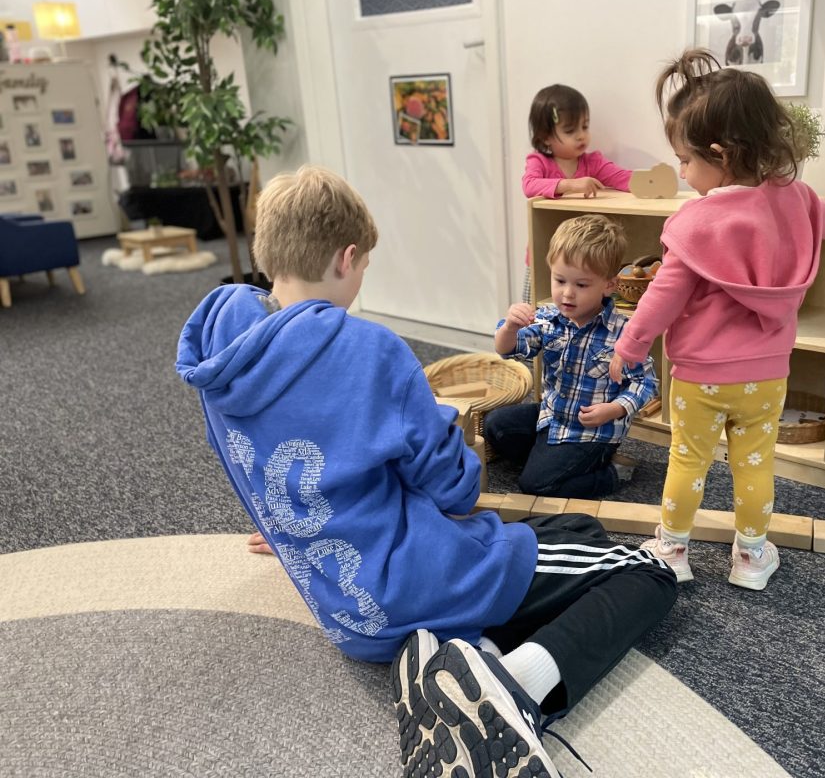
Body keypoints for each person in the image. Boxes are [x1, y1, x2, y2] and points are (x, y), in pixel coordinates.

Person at [176, 166, 678, 777]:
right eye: (364, 268)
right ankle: (509, 688)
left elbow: (258, 464)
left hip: (345, 614)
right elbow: (457, 492)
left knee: (579, 532)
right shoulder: (370, 350)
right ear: (347, 257)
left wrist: (290, 529)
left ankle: (465, 649)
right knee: (649, 573)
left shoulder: (220, 356)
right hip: (421, 581)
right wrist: (436, 425)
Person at [610, 49, 825, 589]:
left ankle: (672, 551)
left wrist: (629, 347)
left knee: (687, 461)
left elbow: (662, 296)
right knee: (756, 464)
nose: (682, 173)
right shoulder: (797, 199)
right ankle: (752, 559)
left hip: (701, 377)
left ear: (720, 154)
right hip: (767, 374)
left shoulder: (697, 223)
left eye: (685, 161)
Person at [487, 213, 658, 500]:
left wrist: (614, 409)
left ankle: (614, 472)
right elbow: (507, 349)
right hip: (552, 415)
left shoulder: (623, 332)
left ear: (609, 285)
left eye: (581, 285)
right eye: (560, 280)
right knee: (495, 425)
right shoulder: (548, 318)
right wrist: (510, 327)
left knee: (535, 485)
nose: (567, 293)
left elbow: (645, 383)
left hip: (593, 432)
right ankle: (550, 460)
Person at [520, 84, 633, 303]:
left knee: (579, 308)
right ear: (545, 137)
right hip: (544, 255)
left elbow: (621, 177)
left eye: (585, 126)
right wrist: (571, 185)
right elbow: (529, 185)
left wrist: (651, 183)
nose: (581, 136)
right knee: (533, 308)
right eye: (570, 131)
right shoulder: (539, 161)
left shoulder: (593, 162)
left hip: (582, 260)